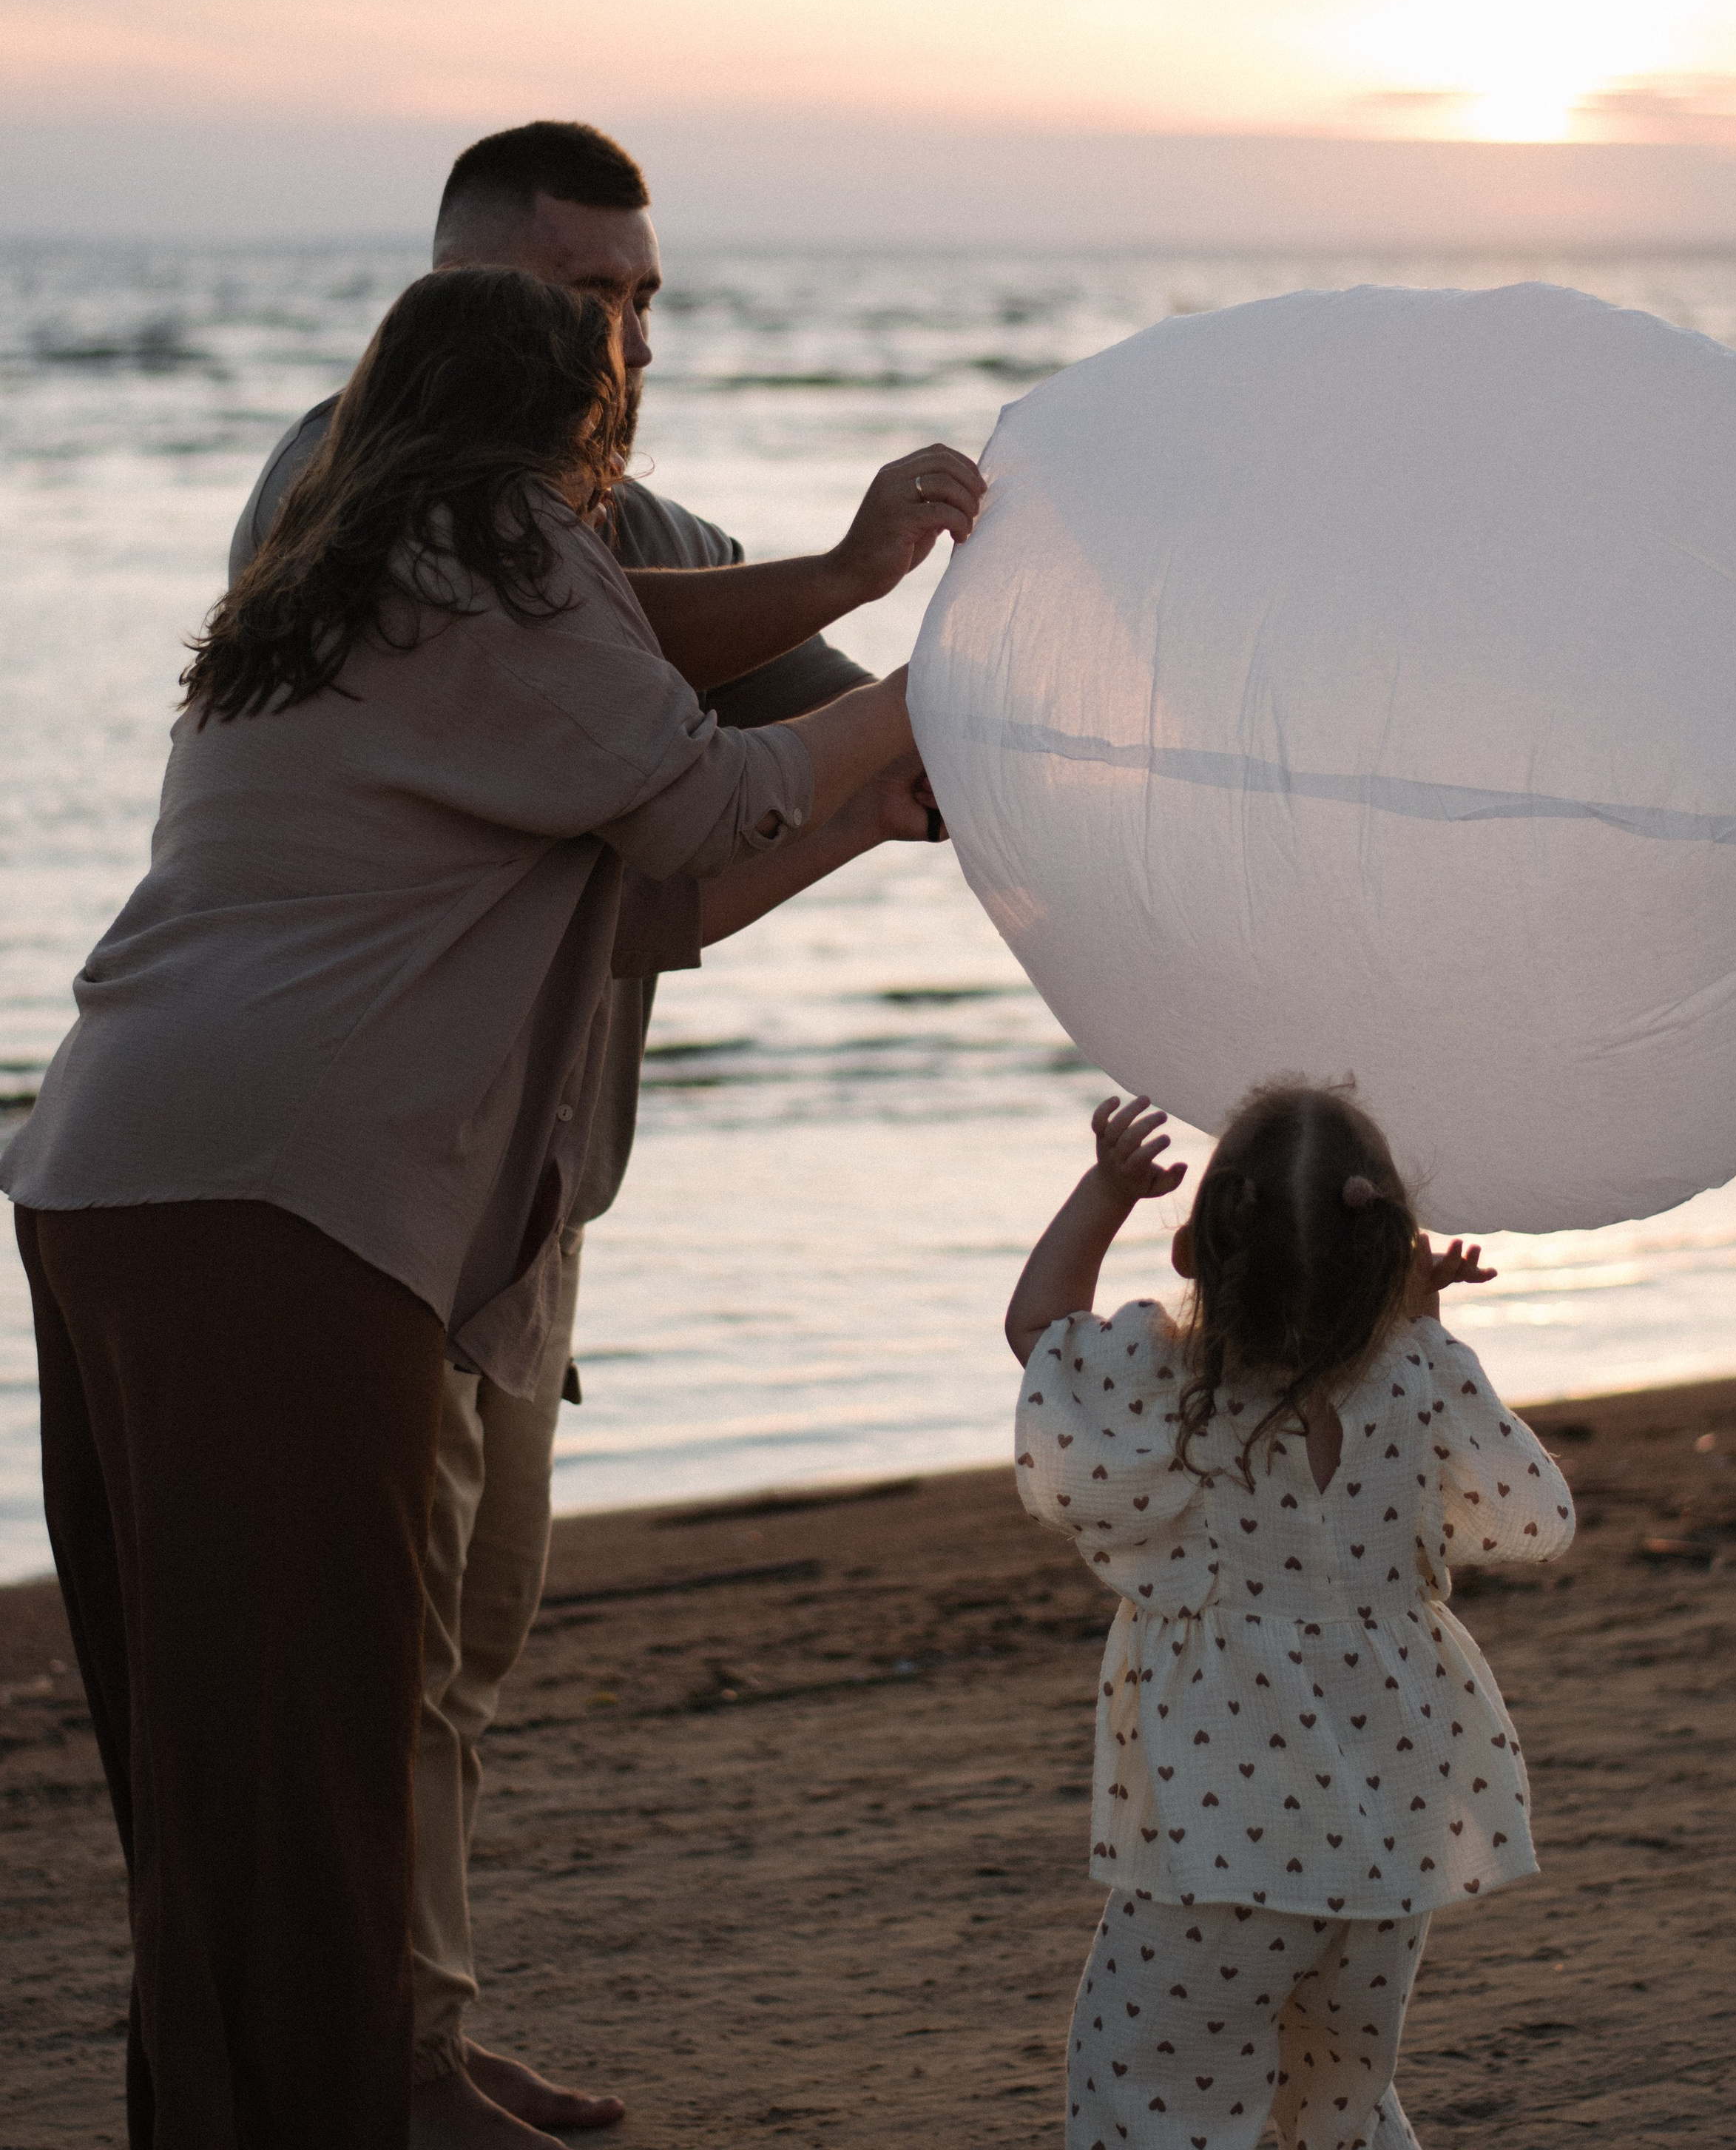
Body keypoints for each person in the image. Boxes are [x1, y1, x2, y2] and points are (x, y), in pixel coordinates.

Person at [7, 266, 968, 2150]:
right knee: (310, 1764)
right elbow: (697, 803)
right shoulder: (494, 555)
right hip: (274, 1210)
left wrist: (862, 782)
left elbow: (640, 913)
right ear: (559, 429)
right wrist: (933, 692)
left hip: (121, 1180)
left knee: (221, 1769)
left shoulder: (346, 593)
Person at [1006, 1079, 1575, 2150]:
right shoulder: (1419, 1379)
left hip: (1223, 1854)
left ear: (1191, 1256)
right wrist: (1423, 1322)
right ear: (1388, 1262)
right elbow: (1525, 1515)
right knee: (1337, 2097)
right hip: (1387, 1844)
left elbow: (1041, 1332)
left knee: (1148, 2088)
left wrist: (1105, 1191)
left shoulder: (1170, 1392)